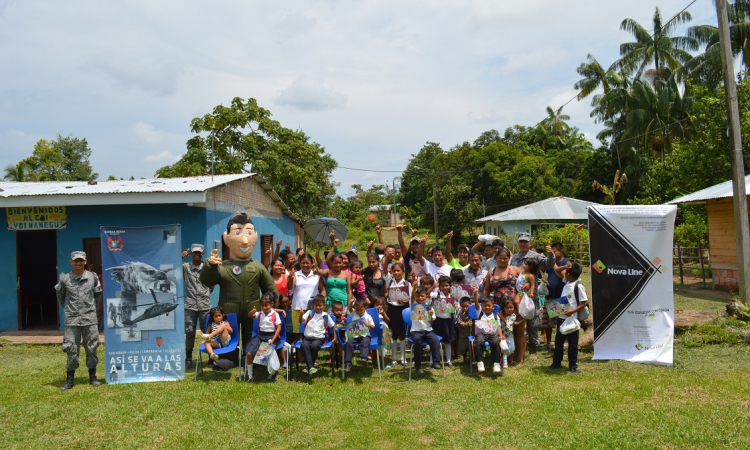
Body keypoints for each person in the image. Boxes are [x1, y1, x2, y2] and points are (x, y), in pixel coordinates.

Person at [200, 212, 278, 352]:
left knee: (252, 334)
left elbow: (271, 290)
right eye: (237, 232)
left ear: (255, 236)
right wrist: (209, 265)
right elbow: (207, 280)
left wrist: (273, 309)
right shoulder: (223, 267)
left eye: (249, 232)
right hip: (229, 309)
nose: (244, 241)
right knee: (228, 334)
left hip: (253, 309)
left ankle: (251, 356)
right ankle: (228, 356)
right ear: (226, 237)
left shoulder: (257, 267)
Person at [55, 251, 103, 391]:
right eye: (75, 260)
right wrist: (70, 310)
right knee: (71, 348)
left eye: (81, 260)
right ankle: (70, 380)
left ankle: (93, 377)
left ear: (85, 261)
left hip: (89, 319)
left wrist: (90, 309)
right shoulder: (65, 279)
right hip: (72, 320)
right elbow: (60, 296)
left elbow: (97, 295)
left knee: (92, 347)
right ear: (71, 262)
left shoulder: (92, 277)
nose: (78, 263)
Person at [509, 232, 547, 360]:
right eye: (521, 241)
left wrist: (551, 254)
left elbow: (548, 264)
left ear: (530, 243)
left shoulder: (535, 256)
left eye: (526, 241)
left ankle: (533, 349)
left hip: (531, 296)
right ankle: (517, 349)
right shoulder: (514, 258)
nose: (523, 243)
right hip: (518, 296)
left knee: (533, 323)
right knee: (517, 322)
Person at [483, 248, 525, 365]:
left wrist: (521, 294)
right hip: (498, 308)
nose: (502, 260)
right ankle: (505, 356)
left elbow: (526, 282)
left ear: (509, 258)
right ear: (495, 258)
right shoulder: (491, 271)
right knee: (502, 332)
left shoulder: (515, 270)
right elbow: (487, 289)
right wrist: (484, 303)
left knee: (519, 332)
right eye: (500, 258)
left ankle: (520, 358)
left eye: (505, 258)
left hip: (514, 307)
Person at [549, 262, 588, 375]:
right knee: (558, 342)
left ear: (569, 274)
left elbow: (585, 302)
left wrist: (572, 311)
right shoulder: (566, 283)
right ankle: (556, 363)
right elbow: (557, 271)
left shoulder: (578, 286)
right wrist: (566, 267)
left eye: (566, 272)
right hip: (561, 318)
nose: (564, 273)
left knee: (573, 344)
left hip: (572, 320)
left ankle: (573, 365)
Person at [181, 244, 214, 369]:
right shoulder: (186, 267)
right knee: (189, 332)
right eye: (194, 252)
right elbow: (174, 267)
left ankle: (210, 356)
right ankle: (189, 358)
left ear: (202, 254)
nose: (196, 254)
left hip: (205, 305)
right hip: (190, 305)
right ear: (191, 254)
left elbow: (212, 283)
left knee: (207, 332)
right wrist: (180, 257)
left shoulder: (207, 268)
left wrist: (206, 294)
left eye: (199, 253)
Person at [245, 291, 282, 383]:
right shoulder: (260, 313)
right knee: (249, 353)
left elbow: (279, 328)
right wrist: (251, 312)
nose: (265, 307)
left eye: (267, 305)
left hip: (271, 337)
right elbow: (250, 316)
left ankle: (272, 373)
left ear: (272, 304)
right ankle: (250, 375)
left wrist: (273, 340)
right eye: (262, 305)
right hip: (260, 336)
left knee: (264, 355)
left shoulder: (274, 314)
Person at [286, 253, 322, 344]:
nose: (305, 265)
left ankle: (309, 350)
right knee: (297, 331)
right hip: (298, 307)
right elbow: (290, 287)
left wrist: (321, 300)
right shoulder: (295, 275)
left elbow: (323, 290)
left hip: (312, 309)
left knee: (310, 331)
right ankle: (298, 354)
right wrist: (290, 278)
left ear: (312, 263)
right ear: (299, 263)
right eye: (303, 263)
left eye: (307, 263)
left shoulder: (316, 275)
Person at [299, 295, 337, 374]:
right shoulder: (309, 313)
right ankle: (311, 367)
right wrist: (301, 314)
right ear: (313, 305)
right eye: (316, 305)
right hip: (307, 337)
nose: (318, 307)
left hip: (319, 338)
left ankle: (309, 366)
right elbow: (301, 321)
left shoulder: (325, 315)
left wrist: (335, 337)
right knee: (303, 346)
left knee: (314, 346)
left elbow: (333, 325)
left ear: (324, 306)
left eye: (320, 305)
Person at [409, 286, 442, 375]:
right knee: (418, 343)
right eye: (418, 296)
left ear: (426, 296)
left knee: (435, 340)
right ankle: (418, 365)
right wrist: (413, 289)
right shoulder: (413, 305)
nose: (420, 298)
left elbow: (431, 321)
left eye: (422, 296)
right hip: (415, 330)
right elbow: (412, 297)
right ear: (416, 296)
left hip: (427, 329)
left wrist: (430, 315)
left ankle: (436, 361)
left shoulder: (429, 307)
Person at [383, 262, 411, 366]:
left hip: (403, 310)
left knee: (402, 334)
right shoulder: (390, 282)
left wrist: (405, 301)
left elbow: (411, 298)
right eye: (394, 271)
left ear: (403, 272)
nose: (396, 272)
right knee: (394, 334)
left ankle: (403, 358)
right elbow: (386, 295)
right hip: (392, 310)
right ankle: (394, 357)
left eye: (398, 270)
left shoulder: (407, 284)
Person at [543, 241, 569, 351]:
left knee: (560, 321)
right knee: (547, 322)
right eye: (551, 252)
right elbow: (543, 271)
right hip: (550, 294)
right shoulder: (549, 263)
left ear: (561, 251)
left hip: (560, 296)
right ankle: (548, 342)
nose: (552, 254)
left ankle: (559, 342)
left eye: (554, 252)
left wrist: (553, 262)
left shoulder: (566, 262)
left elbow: (561, 275)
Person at [343, 298, 375, 372]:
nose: (359, 312)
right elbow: (350, 309)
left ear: (365, 308)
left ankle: (364, 358)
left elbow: (373, 327)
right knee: (349, 343)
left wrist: (369, 325)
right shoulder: (354, 313)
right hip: (355, 335)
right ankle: (348, 363)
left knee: (365, 342)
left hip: (365, 335)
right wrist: (350, 303)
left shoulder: (368, 317)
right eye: (357, 310)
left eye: (361, 310)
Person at [473, 297, 503, 373]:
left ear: (493, 307)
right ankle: (479, 361)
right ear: (482, 306)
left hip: (492, 333)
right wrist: (475, 294)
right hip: (481, 333)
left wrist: (501, 335)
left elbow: (498, 327)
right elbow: (476, 304)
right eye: (485, 305)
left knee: (496, 342)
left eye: (489, 305)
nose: (487, 307)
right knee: (478, 341)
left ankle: (496, 363)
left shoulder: (496, 316)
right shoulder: (480, 313)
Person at [455, 297, 474, 366]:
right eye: (463, 307)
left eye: (467, 306)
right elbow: (459, 322)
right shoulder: (460, 314)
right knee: (464, 349)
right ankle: (465, 360)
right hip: (463, 335)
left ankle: (471, 360)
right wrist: (466, 324)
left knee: (471, 348)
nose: (465, 308)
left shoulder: (473, 314)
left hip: (471, 335)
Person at [498, 298, 517, 368]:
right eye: (507, 308)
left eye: (511, 307)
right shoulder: (499, 315)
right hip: (502, 336)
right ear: (503, 308)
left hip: (510, 335)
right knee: (504, 348)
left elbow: (508, 325)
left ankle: (502, 357)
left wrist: (501, 316)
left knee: (512, 349)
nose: (509, 309)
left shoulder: (513, 316)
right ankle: (505, 362)